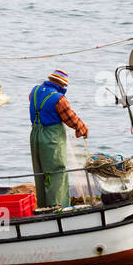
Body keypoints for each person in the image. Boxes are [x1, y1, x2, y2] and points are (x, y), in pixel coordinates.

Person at [29, 69, 88, 210]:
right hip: (51, 138)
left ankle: (42, 206)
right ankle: (57, 207)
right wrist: (82, 128)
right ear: (62, 85)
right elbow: (70, 118)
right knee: (56, 172)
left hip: (35, 134)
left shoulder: (34, 91)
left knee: (40, 172)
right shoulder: (59, 99)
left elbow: (36, 104)